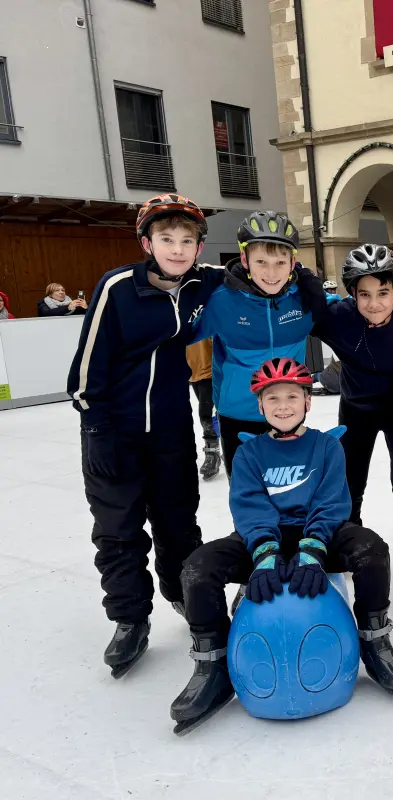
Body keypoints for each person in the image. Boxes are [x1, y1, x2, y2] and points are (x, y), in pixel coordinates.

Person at [170, 357, 393, 734]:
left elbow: (332, 502)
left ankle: (374, 642)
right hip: (264, 541)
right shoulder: (249, 453)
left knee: (372, 551)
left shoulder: (327, 446)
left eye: (291, 397)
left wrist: (313, 548)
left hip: (319, 535)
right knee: (197, 569)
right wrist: (264, 553)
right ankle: (212, 666)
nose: (283, 406)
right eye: (273, 399)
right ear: (260, 406)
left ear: (307, 402)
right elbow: (249, 507)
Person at [67, 193, 225, 678]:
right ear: (146, 242)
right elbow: (87, 367)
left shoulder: (205, 283)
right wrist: (96, 429)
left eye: (186, 240)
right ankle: (130, 619)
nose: (177, 249)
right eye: (166, 239)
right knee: (119, 531)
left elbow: (261, 273)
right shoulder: (117, 288)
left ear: (199, 247)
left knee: (179, 524)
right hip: (115, 431)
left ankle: (182, 595)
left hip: (172, 433)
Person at [311, 245, 393, 609]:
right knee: (348, 483)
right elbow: (291, 309)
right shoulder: (338, 318)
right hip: (357, 408)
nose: (374, 303)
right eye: (364, 294)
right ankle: (349, 544)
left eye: (383, 293)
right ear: (351, 294)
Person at [190, 210, 331, 477]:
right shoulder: (222, 301)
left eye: (280, 262)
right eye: (261, 262)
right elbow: (176, 335)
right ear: (245, 259)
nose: (271, 272)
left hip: (288, 412)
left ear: (293, 263)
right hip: (237, 414)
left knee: (291, 493)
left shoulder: (305, 299)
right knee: (247, 497)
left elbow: (352, 312)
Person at [186, 338, 221, 480]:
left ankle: (212, 452)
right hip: (192, 372)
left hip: (211, 371)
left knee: (206, 414)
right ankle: (218, 449)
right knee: (208, 415)